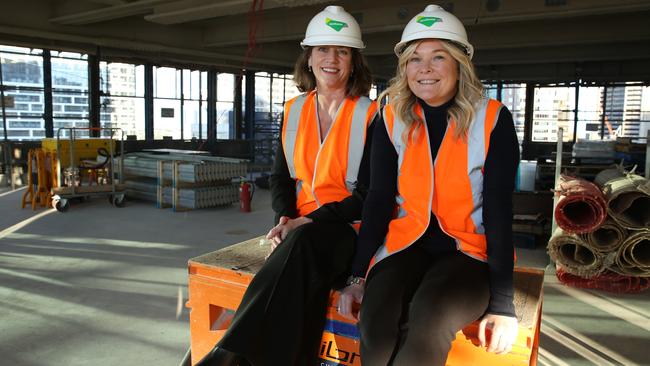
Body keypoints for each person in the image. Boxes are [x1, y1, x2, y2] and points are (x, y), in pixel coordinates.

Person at [336, 5, 520, 365]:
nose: (425, 69)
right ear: (404, 68)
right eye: (415, 59)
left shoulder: (492, 118)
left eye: (438, 57)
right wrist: (357, 275)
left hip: (469, 251)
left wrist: (503, 304)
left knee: (429, 317)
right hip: (407, 243)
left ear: (458, 65)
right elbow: (378, 198)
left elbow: (499, 212)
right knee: (376, 320)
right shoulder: (391, 117)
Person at [195, 5, 377, 366]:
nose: (332, 58)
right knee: (298, 285)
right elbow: (280, 177)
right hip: (300, 232)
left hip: (349, 232)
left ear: (354, 62)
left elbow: (368, 197)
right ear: (308, 58)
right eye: (323, 49)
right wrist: (284, 217)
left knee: (301, 247)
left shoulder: (372, 116)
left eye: (342, 51)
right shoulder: (294, 110)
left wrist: (302, 224)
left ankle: (225, 357)